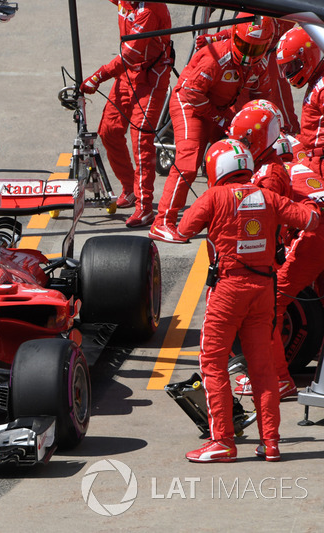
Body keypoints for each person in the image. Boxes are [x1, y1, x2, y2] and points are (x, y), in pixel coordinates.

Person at [177, 139, 319, 462]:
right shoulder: (268, 197)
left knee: (212, 362)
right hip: (264, 292)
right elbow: (309, 219)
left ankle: (223, 441)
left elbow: (184, 229)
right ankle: (270, 443)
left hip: (228, 290)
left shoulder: (214, 196)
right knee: (263, 368)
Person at [150, 14, 275, 243]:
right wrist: (220, 119)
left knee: (239, 155)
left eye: (256, 50)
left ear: (266, 47)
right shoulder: (216, 57)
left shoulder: (261, 66)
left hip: (219, 108)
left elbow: (261, 103)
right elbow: (191, 93)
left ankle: (226, 211)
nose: (248, 55)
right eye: (244, 46)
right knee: (188, 162)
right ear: (235, 38)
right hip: (190, 105)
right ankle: (162, 222)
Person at [235, 162, 324, 399]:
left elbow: (268, 217)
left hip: (316, 233)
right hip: (317, 227)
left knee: (270, 303)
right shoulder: (292, 165)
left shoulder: (269, 178)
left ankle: (278, 378)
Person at [80, 1, 172, 228]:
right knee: (109, 130)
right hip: (128, 72)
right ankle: (129, 188)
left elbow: (130, 56)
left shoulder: (148, 11)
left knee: (141, 138)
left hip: (151, 76)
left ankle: (145, 206)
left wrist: (98, 76)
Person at [276, 26, 324, 175]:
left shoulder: (322, 88)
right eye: (286, 68)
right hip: (310, 153)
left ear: (308, 57)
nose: (289, 73)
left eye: (293, 65)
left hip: (319, 161)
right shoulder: (316, 79)